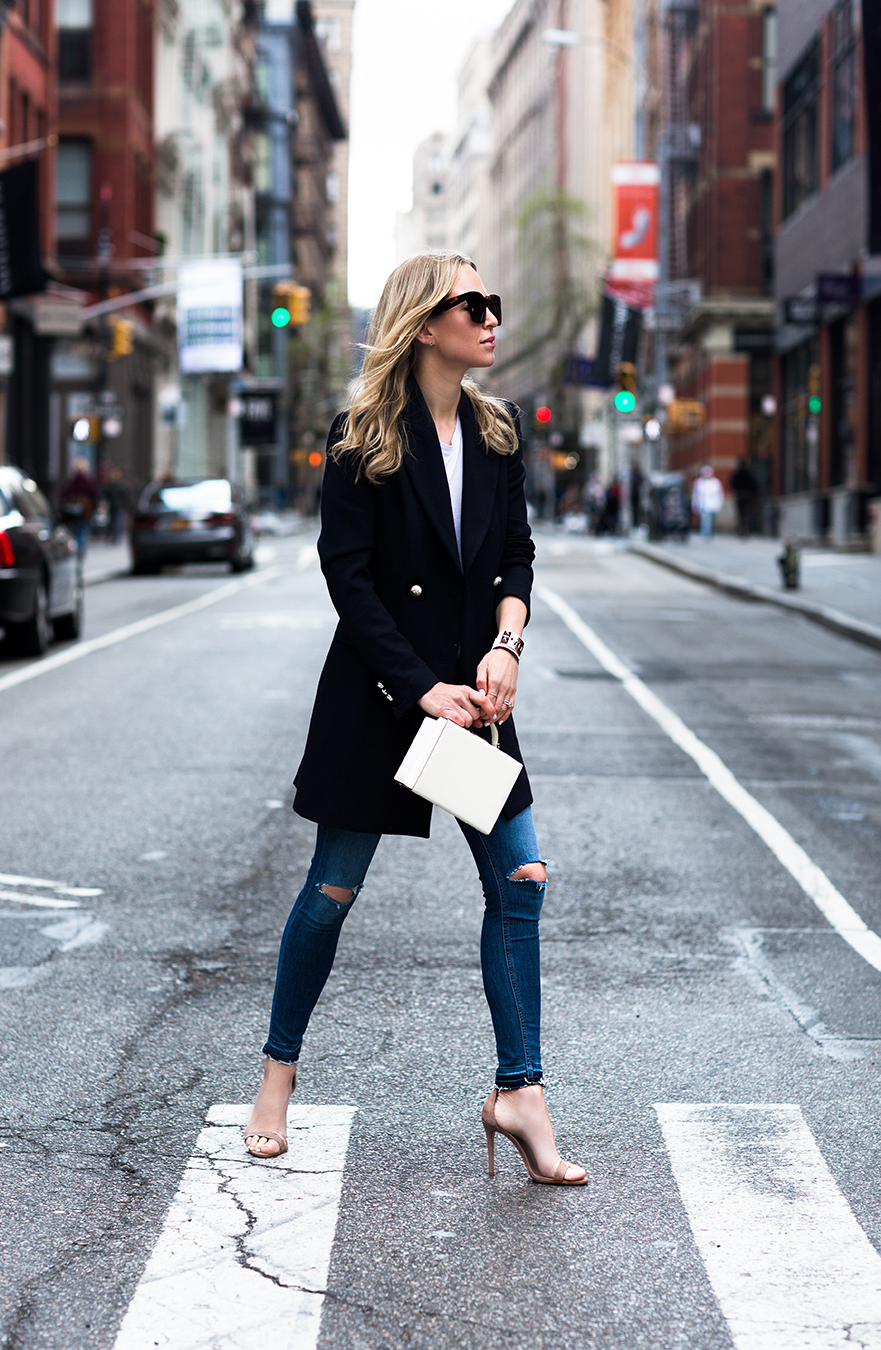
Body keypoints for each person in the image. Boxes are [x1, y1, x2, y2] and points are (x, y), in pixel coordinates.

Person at [244, 252, 587, 1186]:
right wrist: (419, 685)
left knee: (521, 878)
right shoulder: (361, 435)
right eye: (470, 302)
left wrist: (505, 646)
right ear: (424, 323)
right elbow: (347, 580)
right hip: (384, 698)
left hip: (473, 706)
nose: (489, 316)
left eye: (492, 299)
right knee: (332, 892)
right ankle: (278, 1073)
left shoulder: (500, 430)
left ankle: (521, 1092)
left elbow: (516, 557)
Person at [60, 457, 99, 558]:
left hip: (74, 513)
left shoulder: (71, 482)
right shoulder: (87, 482)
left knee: (75, 532)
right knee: (82, 531)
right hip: (84, 512)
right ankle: (80, 551)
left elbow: (64, 495)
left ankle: (76, 550)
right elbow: (94, 496)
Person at [691, 464, 724, 539]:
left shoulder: (716, 482)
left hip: (712, 504)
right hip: (702, 504)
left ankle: (709, 532)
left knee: (710, 519)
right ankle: (705, 532)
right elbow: (696, 495)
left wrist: (719, 504)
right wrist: (694, 505)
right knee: (705, 519)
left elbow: (719, 494)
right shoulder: (699, 482)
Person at [730, 457, 758, 538]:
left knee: (741, 514)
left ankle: (742, 529)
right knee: (748, 513)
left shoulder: (737, 473)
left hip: (740, 495)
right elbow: (754, 484)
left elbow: (733, 483)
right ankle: (746, 530)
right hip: (748, 495)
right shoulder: (749, 473)